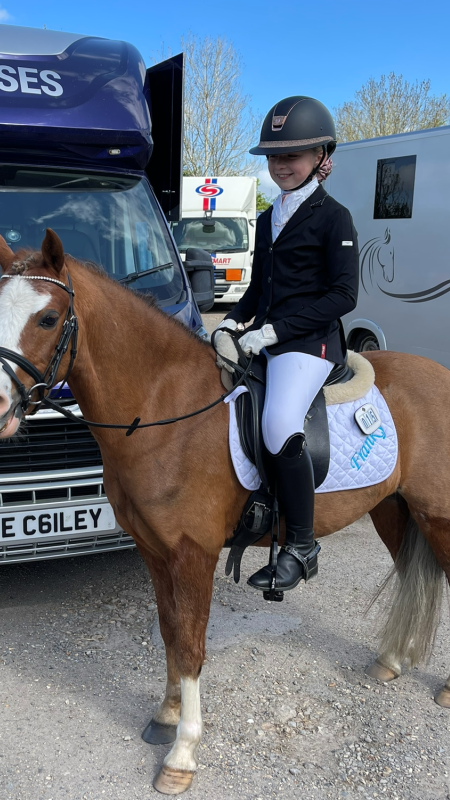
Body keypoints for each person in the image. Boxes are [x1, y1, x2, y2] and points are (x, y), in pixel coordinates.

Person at [214, 96, 359, 592]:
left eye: (291, 156)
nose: (280, 165)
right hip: (266, 339)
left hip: (310, 345)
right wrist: (231, 323)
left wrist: (275, 332)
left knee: (278, 423)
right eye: (274, 157)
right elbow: (258, 290)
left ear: (321, 156)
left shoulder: (333, 216)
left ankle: (302, 544)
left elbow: (344, 295)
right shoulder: (266, 215)